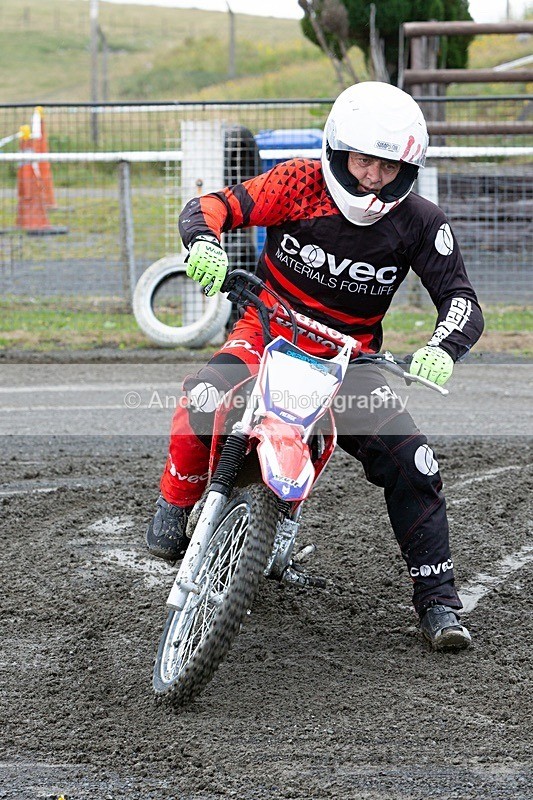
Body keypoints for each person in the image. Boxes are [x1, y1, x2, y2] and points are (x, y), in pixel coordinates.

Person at [146, 81, 484, 651]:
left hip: (351, 360)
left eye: (388, 164)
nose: (373, 176)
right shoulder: (298, 181)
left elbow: (462, 301)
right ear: (338, 148)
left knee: (416, 462)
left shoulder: (422, 222)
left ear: (409, 167)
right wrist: (203, 244)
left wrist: (441, 349)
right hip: (266, 326)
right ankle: (174, 504)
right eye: (363, 159)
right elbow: (213, 207)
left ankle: (439, 604)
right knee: (206, 395)